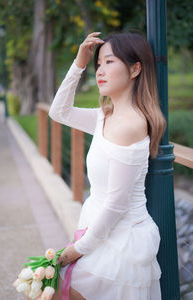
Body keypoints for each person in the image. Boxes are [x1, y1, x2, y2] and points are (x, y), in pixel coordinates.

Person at [48, 30, 167, 300]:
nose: (100, 70)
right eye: (98, 64)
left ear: (135, 68)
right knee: (47, 291)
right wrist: (79, 63)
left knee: (49, 292)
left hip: (121, 244)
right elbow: (59, 112)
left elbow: (117, 204)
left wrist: (76, 250)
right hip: (99, 232)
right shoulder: (105, 117)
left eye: (110, 62)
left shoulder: (132, 125)